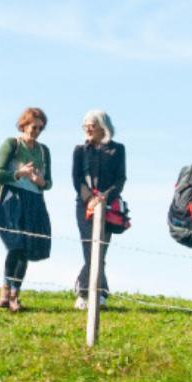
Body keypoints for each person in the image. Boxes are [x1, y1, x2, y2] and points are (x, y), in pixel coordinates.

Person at [0, 108, 53, 312]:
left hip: (34, 202)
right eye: (33, 127)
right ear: (24, 124)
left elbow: (49, 182)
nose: (36, 131)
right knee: (15, 245)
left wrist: (40, 181)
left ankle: (14, 294)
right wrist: (19, 173)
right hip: (12, 199)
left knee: (26, 248)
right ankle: (5, 290)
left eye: (40, 128)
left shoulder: (44, 151)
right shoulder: (12, 144)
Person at [73, 110, 126, 311]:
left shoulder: (118, 149)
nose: (88, 128)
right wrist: (91, 199)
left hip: (108, 205)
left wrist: (104, 197)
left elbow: (121, 178)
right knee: (89, 248)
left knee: (101, 248)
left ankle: (96, 290)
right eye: (85, 124)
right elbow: (76, 180)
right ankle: (87, 292)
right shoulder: (80, 150)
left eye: (91, 124)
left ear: (102, 126)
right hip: (85, 205)